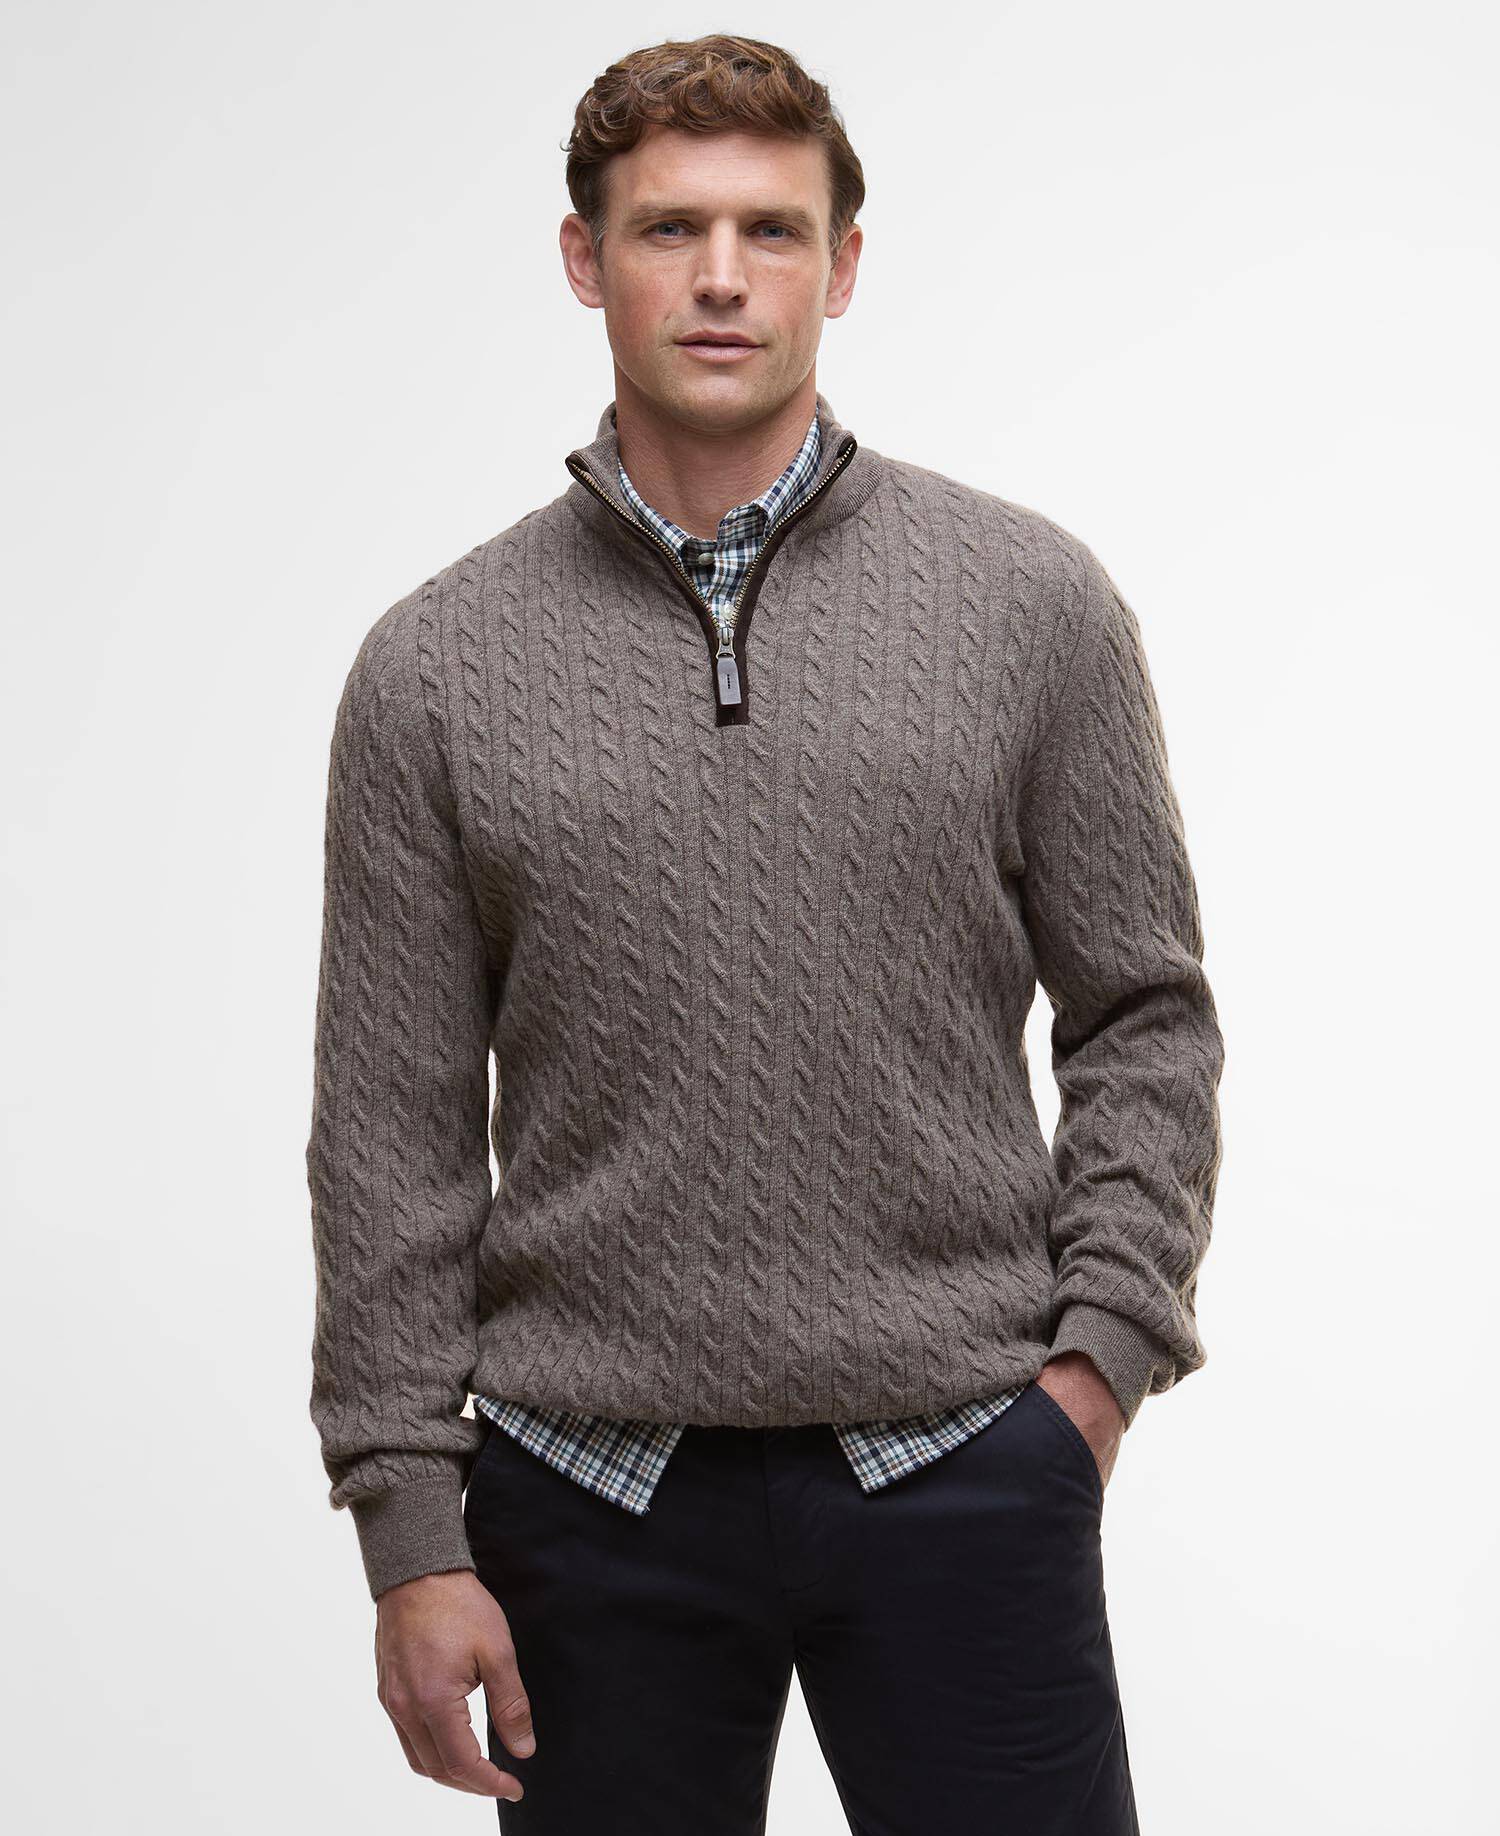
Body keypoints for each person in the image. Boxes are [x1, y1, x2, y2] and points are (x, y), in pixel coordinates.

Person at [305, 31, 1225, 1835]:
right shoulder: (435, 668)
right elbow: (388, 1133)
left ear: (843, 265)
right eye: (669, 229)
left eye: (771, 231)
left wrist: (1096, 1373)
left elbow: (1146, 1017)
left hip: (966, 1460)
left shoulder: (1030, 606)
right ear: (586, 260)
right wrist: (409, 1528)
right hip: (584, 1496)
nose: (721, 277)